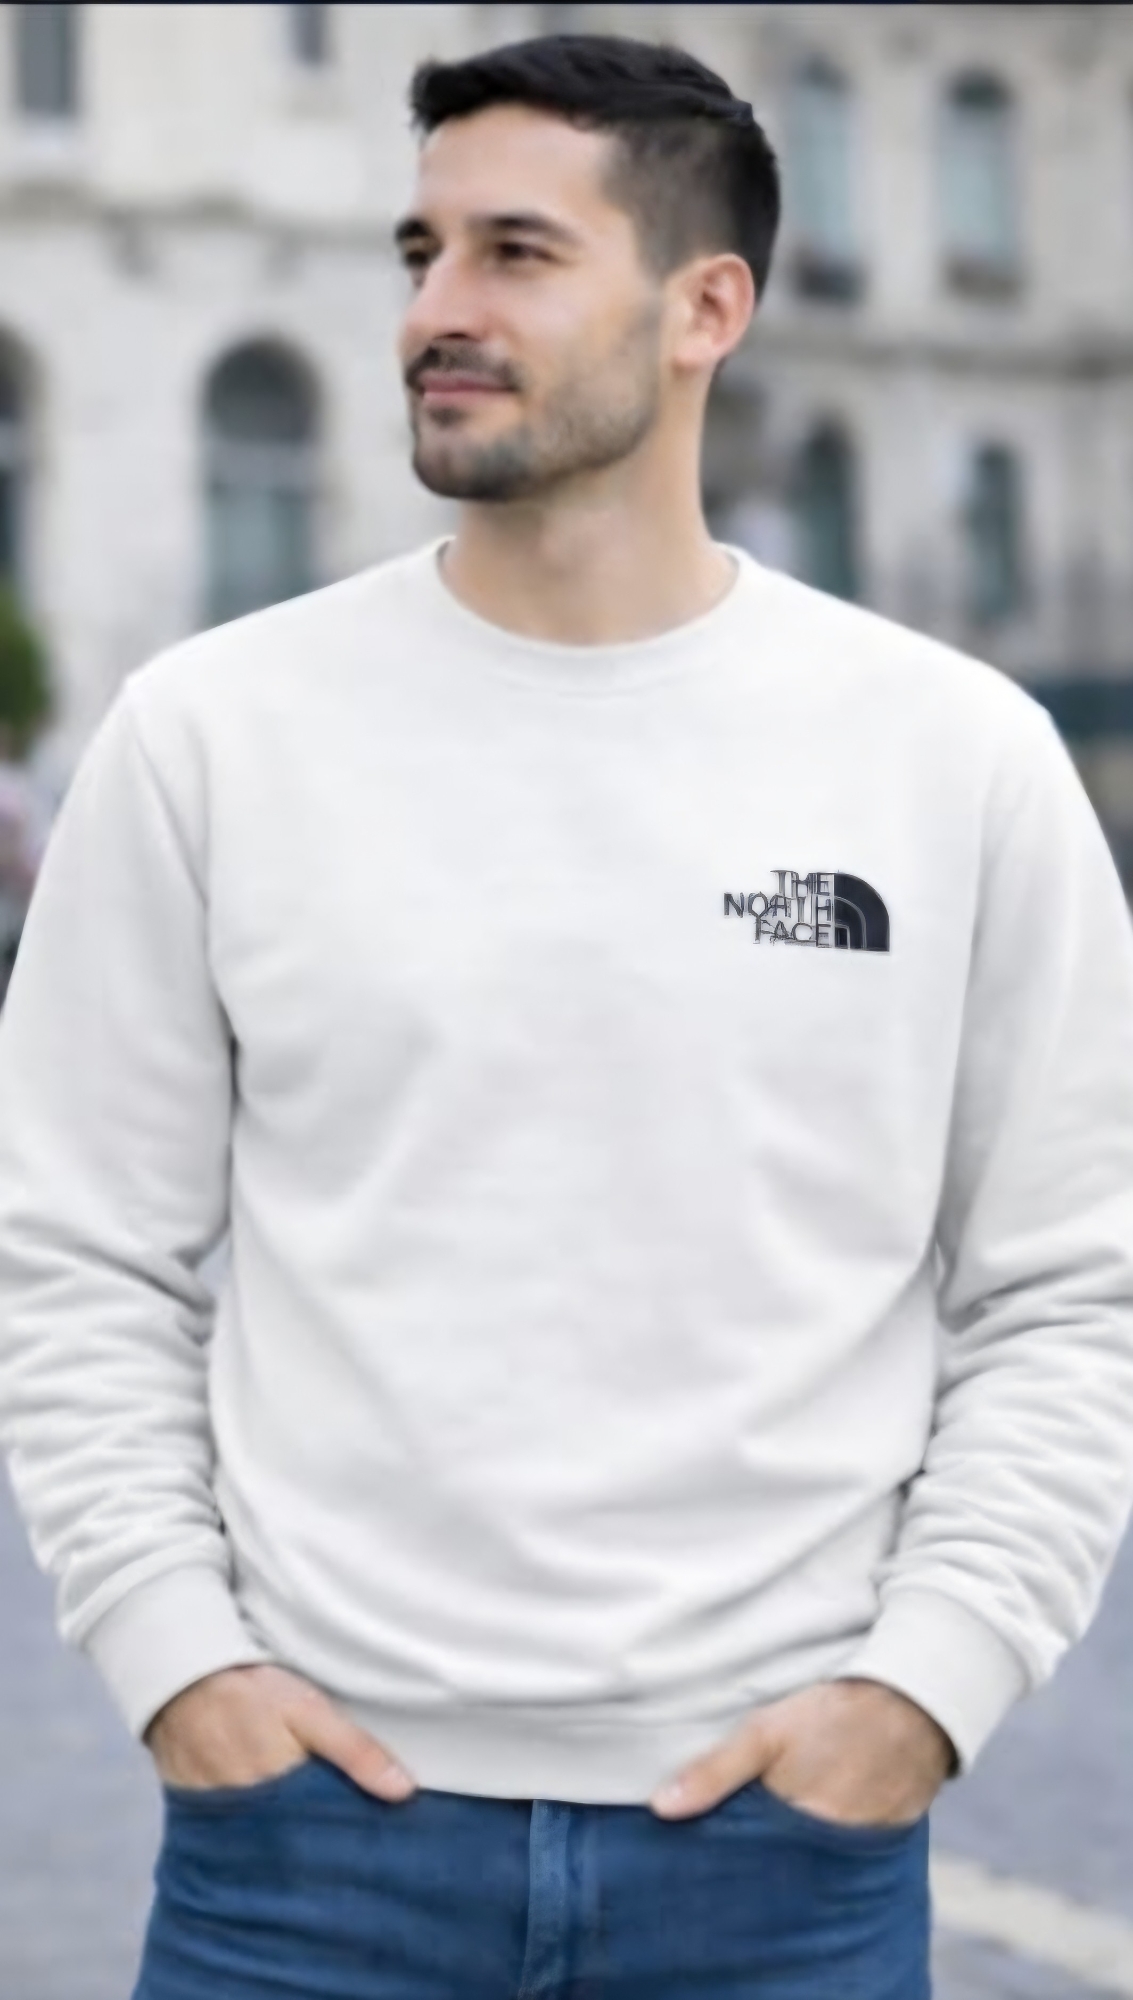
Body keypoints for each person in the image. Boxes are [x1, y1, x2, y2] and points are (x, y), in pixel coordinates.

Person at [1, 31, 1133, 2000]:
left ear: (708, 310)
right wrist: (177, 1659)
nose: (434, 310)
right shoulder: (211, 736)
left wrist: (921, 1694)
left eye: (516, 252)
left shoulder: (954, 759)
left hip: (785, 1873)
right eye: (419, 249)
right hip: (304, 1868)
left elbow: (1072, 1285)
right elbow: (78, 1249)